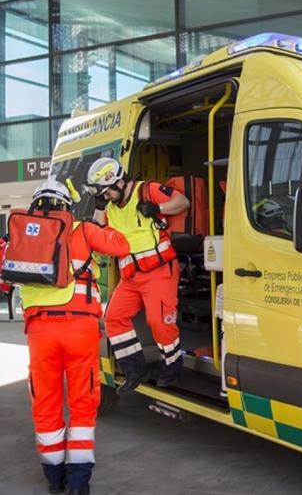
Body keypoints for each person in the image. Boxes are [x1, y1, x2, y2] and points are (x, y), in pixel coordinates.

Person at [16, 180, 129, 495]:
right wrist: (100, 219)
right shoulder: (83, 230)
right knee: (82, 401)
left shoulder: (21, 235)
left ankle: (55, 477)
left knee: (45, 401)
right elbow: (121, 247)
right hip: (80, 329)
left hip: (40, 333)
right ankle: (79, 482)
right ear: (67, 205)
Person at [85, 158, 190, 394]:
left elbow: (183, 202)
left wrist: (157, 209)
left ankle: (172, 366)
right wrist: (99, 206)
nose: (107, 197)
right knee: (113, 318)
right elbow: (97, 234)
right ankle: (135, 369)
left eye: (107, 192)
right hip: (131, 277)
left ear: (119, 182)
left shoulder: (147, 190)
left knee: (159, 321)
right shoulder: (111, 208)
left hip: (159, 272)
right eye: (103, 195)